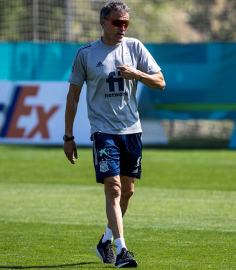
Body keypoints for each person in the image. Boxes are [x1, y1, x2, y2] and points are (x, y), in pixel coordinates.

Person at [63, 1, 165, 268]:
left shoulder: (135, 48)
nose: (122, 28)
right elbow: (73, 96)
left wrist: (137, 74)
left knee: (128, 192)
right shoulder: (86, 54)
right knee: (114, 188)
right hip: (103, 131)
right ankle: (122, 251)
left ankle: (106, 240)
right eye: (117, 22)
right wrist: (68, 136)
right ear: (103, 22)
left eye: (126, 23)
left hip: (132, 130)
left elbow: (161, 83)